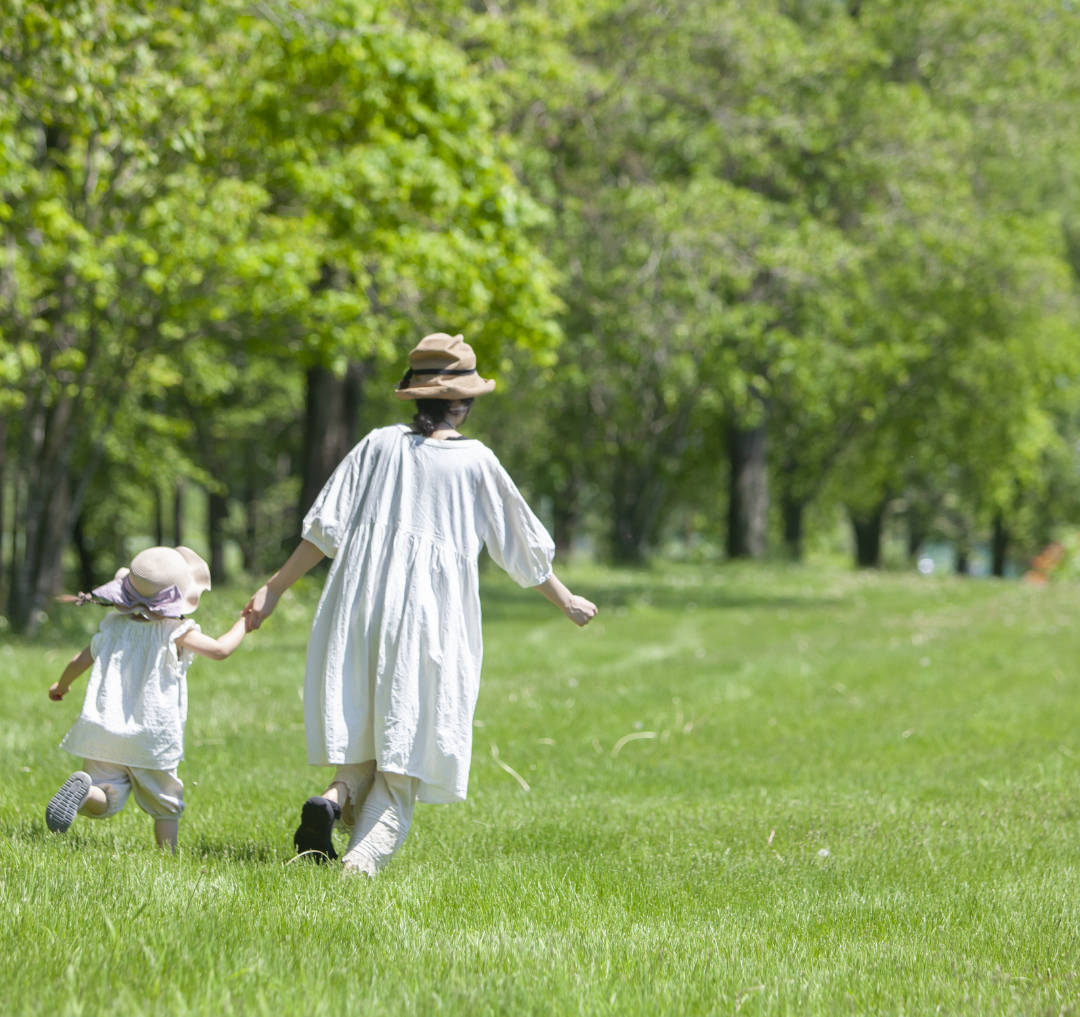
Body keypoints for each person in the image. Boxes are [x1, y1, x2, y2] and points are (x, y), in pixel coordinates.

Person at [243, 332, 598, 876]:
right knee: (407, 746)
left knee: (366, 732)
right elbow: (522, 549)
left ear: (415, 396)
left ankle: (334, 800)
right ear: (464, 402)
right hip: (430, 621)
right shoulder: (476, 461)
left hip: (357, 609)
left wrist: (272, 589)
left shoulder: (377, 445)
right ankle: (358, 868)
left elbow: (323, 532)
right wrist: (566, 598)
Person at [46, 546, 248, 852]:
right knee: (166, 804)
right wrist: (245, 623)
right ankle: (167, 859)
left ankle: (86, 793)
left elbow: (79, 661)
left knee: (106, 796)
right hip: (152, 736)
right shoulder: (175, 630)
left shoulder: (112, 624)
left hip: (104, 730)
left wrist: (61, 685)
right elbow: (220, 650)